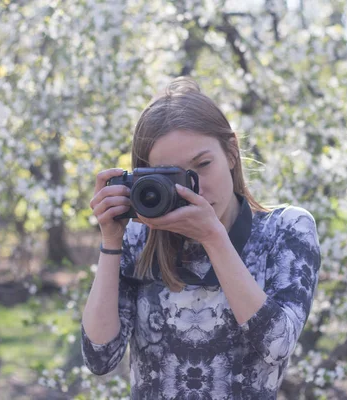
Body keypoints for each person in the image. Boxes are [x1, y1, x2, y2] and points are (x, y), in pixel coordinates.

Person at [81, 77, 321, 399]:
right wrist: (111, 242)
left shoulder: (286, 229)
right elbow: (100, 357)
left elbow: (277, 345)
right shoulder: (138, 238)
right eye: (171, 177)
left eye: (202, 165)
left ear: (231, 152)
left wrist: (213, 237)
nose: (193, 189)